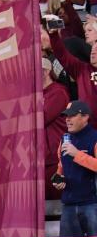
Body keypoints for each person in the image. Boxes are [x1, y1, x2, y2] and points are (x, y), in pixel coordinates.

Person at [53, 100, 97, 237]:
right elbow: (61, 165)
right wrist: (58, 179)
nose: (67, 119)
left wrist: (77, 154)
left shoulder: (95, 138)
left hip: (92, 204)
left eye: (72, 115)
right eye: (66, 116)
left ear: (85, 117)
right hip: (68, 205)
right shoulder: (64, 139)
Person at [44, 58, 70, 201]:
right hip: (41, 156)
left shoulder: (58, 92)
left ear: (46, 71)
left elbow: (42, 118)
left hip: (54, 156)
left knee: (55, 200)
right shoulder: (35, 94)